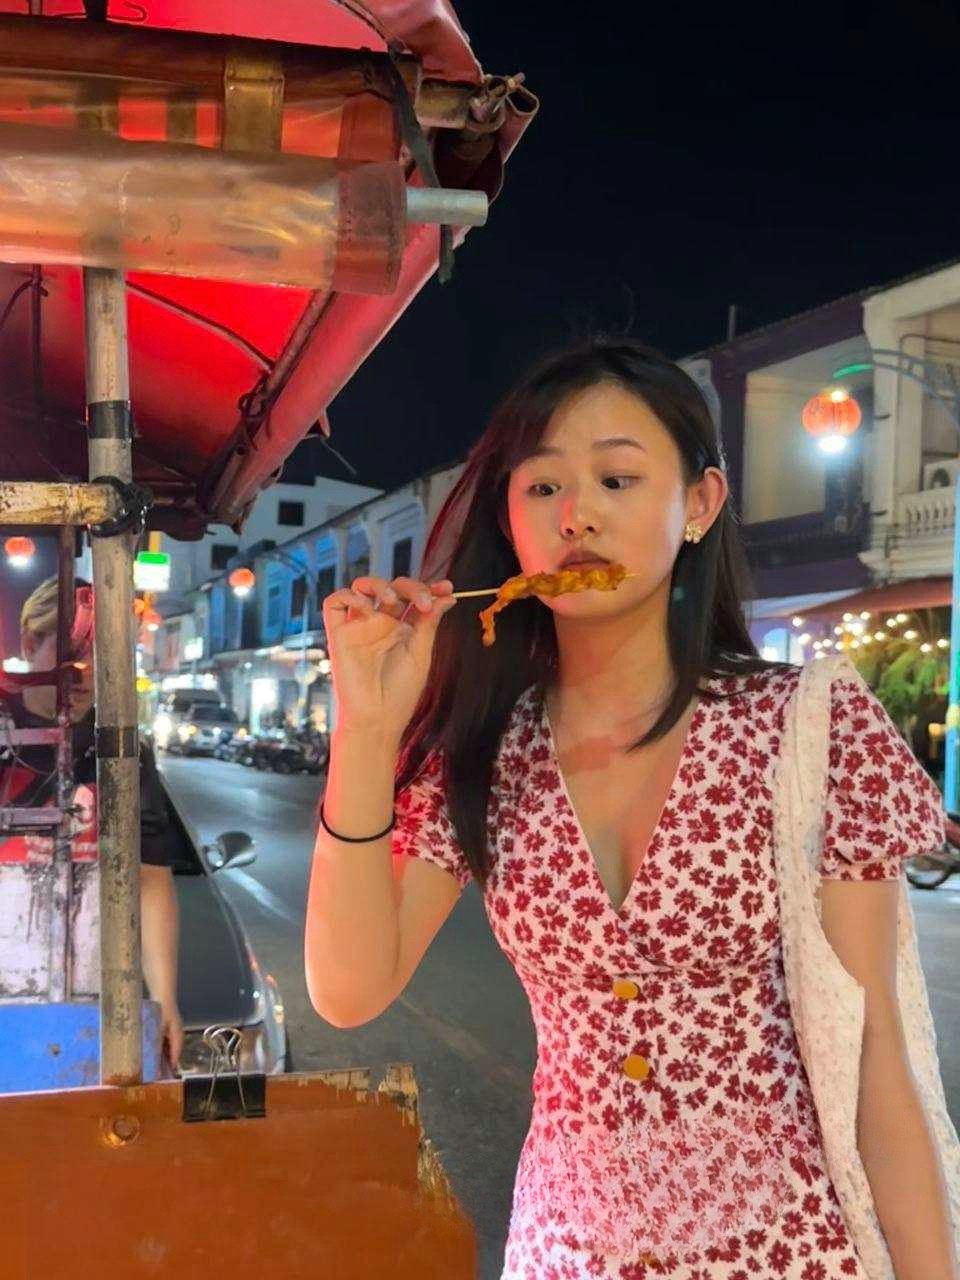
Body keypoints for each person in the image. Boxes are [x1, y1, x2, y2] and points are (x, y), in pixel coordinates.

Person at [305, 339, 958, 1280]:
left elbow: (876, 1060)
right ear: (512, 524)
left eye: (617, 479)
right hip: (565, 1251)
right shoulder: (485, 750)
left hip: (795, 1251)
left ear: (699, 504)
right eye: (543, 487)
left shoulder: (808, 727)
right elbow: (348, 990)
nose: (578, 514)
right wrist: (367, 726)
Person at [0, 576, 183, 1071]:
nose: (86, 675)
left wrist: (164, 997)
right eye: (73, 655)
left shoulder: (121, 749)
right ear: (30, 643)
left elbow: (150, 879)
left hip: (96, 1001)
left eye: (102, 658)